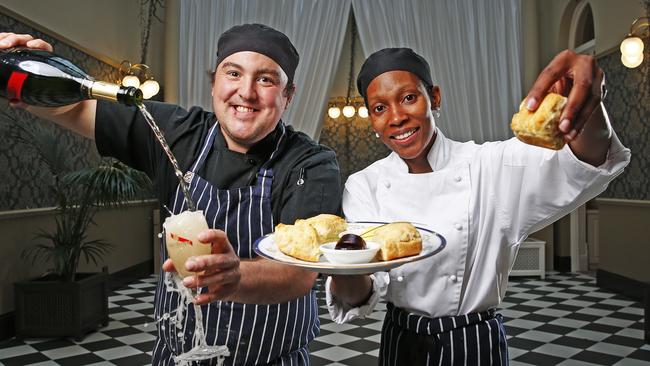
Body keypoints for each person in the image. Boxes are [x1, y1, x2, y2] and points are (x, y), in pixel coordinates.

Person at [1, 24, 342, 365]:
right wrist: (18, 81)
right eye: (233, 73)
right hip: (176, 357)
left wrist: (235, 275)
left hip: (269, 359)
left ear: (288, 94)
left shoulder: (311, 162)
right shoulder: (179, 132)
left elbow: (299, 274)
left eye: (266, 79)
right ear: (214, 83)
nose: (246, 92)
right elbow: (70, 108)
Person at [326, 47, 630, 365]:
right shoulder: (365, 185)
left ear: (435, 98)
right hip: (402, 341)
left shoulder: (487, 165)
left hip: (473, 341)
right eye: (378, 108)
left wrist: (589, 103)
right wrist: (342, 264)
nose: (396, 117)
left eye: (408, 98)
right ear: (372, 119)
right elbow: (361, 293)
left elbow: (587, 159)